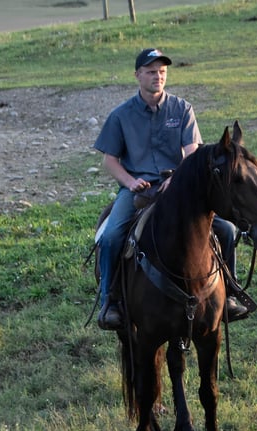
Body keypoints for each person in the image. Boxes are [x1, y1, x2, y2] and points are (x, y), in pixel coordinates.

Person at [94, 48, 248, 330]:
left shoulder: (182, 109)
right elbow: (110, 160)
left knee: (226, 229)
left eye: (162, 72)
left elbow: (192, 152)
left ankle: (230, 293)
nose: (158, 76)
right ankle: (110, 300)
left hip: (178, 187)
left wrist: (176, 178)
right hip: (137, 190)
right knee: (112, 235)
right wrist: (130, 182)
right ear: (137, 75)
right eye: (151, 72)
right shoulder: (120, 116)